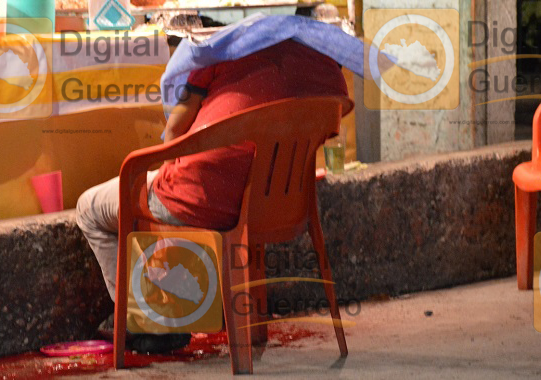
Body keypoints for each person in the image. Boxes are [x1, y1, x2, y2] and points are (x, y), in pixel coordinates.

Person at [76, 39, 351, 353]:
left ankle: (146, 320)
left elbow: (175, 129)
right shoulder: (329, 67)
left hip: (199, 200)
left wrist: (168, 165)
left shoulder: (217, 54)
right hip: (280, 206)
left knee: (89, 209)